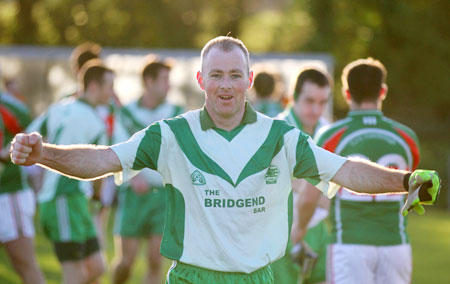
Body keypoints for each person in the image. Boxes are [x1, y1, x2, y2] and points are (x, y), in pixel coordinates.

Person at [9, 36, 440, 284]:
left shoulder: (281, 137)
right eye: (216, 74)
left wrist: (405, 181)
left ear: (250, 80)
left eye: (236, 75)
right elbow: (103, 159)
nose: (226, 84)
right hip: (193, 278)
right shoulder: (171, 134)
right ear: (201, 79)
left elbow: (346, 170)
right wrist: (44, 153)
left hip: (258, 278)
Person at [293, 58, 423, 284]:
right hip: (396, 243)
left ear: (346, 94)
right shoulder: (407, 138)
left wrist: (299, 230)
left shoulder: (331, 136)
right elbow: (414, 192)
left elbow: (309, 197)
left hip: (349, 243)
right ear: (382, 91)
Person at [25, 60, 112, 284]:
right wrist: (98, 197)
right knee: (73, 273)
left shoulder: (59, 107)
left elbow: (29, 137)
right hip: (61, 198)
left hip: (77, 201)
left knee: (97, 266)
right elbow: (99, 168)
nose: (112, 92)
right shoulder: (96, 122)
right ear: (93, 87)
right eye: (109, 86)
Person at [112, 56, 183, 284]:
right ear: (148, 82)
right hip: (134, 195)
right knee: (126, 262)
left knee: (155, 260)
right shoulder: (126, 112)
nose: (168, 85)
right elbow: (118, 150)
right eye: (163, 79)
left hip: (163, 196)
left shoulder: (177, 112)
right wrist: (135, 178)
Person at [273, 67, 333, 284]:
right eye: (309, 101)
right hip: (282, 231)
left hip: (319, 230)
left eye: (322, 102)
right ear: (294, 97)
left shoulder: (329, 132)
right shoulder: (275, 131)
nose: (316, 109)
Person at [0, 71, 45, 284]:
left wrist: (6, 152)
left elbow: (33, 134)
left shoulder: (8, 106)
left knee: (25, 265)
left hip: (8, 195)